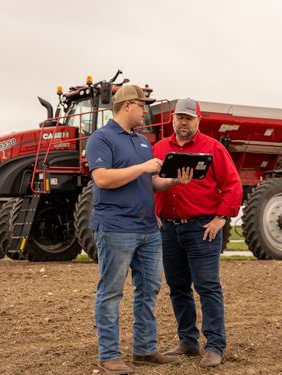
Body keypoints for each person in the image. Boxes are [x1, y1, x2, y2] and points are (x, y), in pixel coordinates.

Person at [86, 85, 193, 374]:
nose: (145, 111)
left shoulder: (143, 141)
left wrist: (172, 182)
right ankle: (109, 355)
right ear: (127, 106)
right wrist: (143, 168)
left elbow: (150, 182)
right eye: (142, 106)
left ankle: (144, 350)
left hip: (147, 228)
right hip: (116, 227)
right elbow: (103, 180)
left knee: (149, 290)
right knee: (111, 292)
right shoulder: (101, 138)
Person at [154, 98, 243, 368]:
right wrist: (154, 213)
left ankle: (215, 345)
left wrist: (220, 219)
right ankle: (188, 341)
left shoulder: (213, 148)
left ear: (198, 121)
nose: (184, 122)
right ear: (173, 119)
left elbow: (233, 184)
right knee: (178, 288)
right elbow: (146, 184)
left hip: (202, 228)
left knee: (207, 287)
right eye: (180, 117)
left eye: (189, 118)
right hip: (169, 229)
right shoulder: (158, 148)